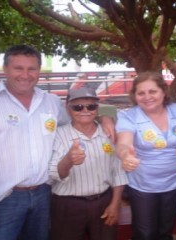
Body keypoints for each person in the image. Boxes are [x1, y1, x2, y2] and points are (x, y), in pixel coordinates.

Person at [0, 45, 115, 240]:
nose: (25, 75)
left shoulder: (51, 102)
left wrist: (103, 118)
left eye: (32, 69)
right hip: (1, 200)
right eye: (18, 68)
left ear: (39, 71)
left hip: (44, 195)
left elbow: (78, 120)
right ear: (5, 69)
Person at [115, 71, 176, 240]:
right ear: (134, 96)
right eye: (141, 93)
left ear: (163, 91)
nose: (147, 97)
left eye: (152, 91)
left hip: (174, 182)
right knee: (145, 234)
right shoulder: (129, 116)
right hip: (143, 185)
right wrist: (126, 155)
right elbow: (123, 143)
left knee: (165, 232)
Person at [49, 87, 128, 240]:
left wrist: (115, 203)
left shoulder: (108, 133)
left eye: (91, 106)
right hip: (68, 204)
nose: (85, 110)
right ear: (68, 108)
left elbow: (118, 172)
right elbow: (54, 174)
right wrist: (68, 160)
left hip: (103, 201)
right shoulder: (58, 135)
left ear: (97, 108)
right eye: (78, 107)